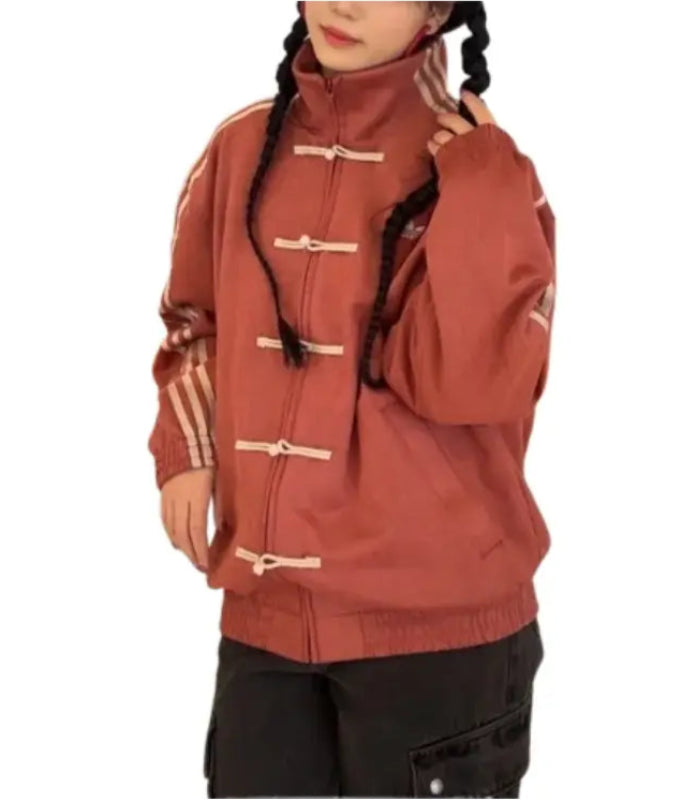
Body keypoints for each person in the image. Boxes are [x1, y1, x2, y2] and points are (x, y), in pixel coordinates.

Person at [147, 2, 556, 796]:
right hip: (266, 617)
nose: (343, 4)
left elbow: (470, 383)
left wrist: (478, 187)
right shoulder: (240, 150)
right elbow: (195, 321)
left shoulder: (493, 180)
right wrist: (188, 450)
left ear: (438, 9)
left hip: (437, 633)